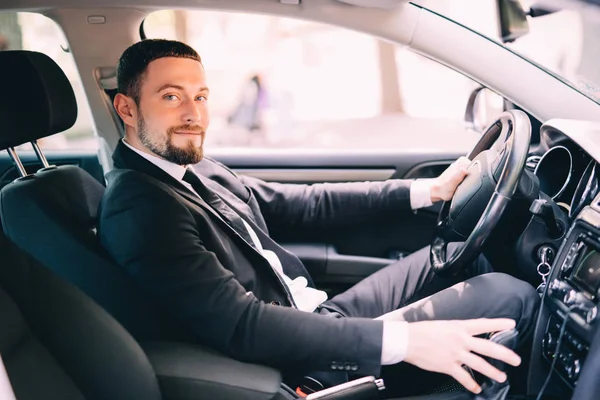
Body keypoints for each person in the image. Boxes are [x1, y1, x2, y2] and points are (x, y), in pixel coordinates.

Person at [99, 39, 540, 396]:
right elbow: (241, 325)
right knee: (510, 296)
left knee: (458, 257)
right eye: (171, 97)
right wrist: (406, 342)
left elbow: (304, 203)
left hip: (316, 313)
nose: (193, 115)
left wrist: (429, 190)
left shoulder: (193, 167)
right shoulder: (140, 207)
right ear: (128, 109)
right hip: (298, 364)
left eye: (200, 96)